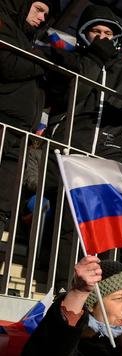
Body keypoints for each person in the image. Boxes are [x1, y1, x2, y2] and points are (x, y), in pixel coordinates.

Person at [44, 5, 122, 161]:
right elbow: (68, 97)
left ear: (115, 38)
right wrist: (95, 57)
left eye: (108, 33)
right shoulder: (69, 58)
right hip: (66, 148)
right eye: (96, 31)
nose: (102, 37)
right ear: (84, 33)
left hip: (112, 155)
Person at [0, 0, 55, 230]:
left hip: (20, 134)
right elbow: (7, 64)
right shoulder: (4, 23)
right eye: (39, 9)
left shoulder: (25, 37)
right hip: (3, 124)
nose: (42, 18)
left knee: (3, 204)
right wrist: (44, 60)